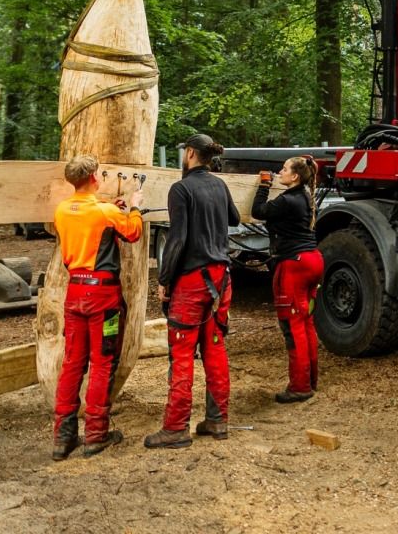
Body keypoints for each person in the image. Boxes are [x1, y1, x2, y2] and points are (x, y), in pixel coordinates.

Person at [146, 134, 240, 449]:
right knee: (214, 349)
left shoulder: (181, 189)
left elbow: (177, 239)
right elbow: (235, 218)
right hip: (221, 280)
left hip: (193, 283)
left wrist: (164, 279)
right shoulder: (219, 185)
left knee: (182, 354)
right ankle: (218, 420)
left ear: (189, 153)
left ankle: (175, 428)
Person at [50, 155, 145, 459]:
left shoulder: (63, 210)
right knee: (102, 362)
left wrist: (114, 211)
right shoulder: (104, 212)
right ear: (93, 177)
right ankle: (95, 434)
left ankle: (63, 438)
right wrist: (134, 207)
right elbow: (132, 232)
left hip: (75, 291)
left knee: (73, 363)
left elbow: (93, 224)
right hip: (103, 297)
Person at [251, 156, 324, 403]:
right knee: (305, 324)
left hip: (294, 265)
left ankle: (300, 386)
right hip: (312, 260)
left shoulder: (287, 200)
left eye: (283, 170)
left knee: (293, 328)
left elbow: (258, 211)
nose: (279, 172)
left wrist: (263, 186)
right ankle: (310, 380)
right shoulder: (305, 195)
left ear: (294, 176)